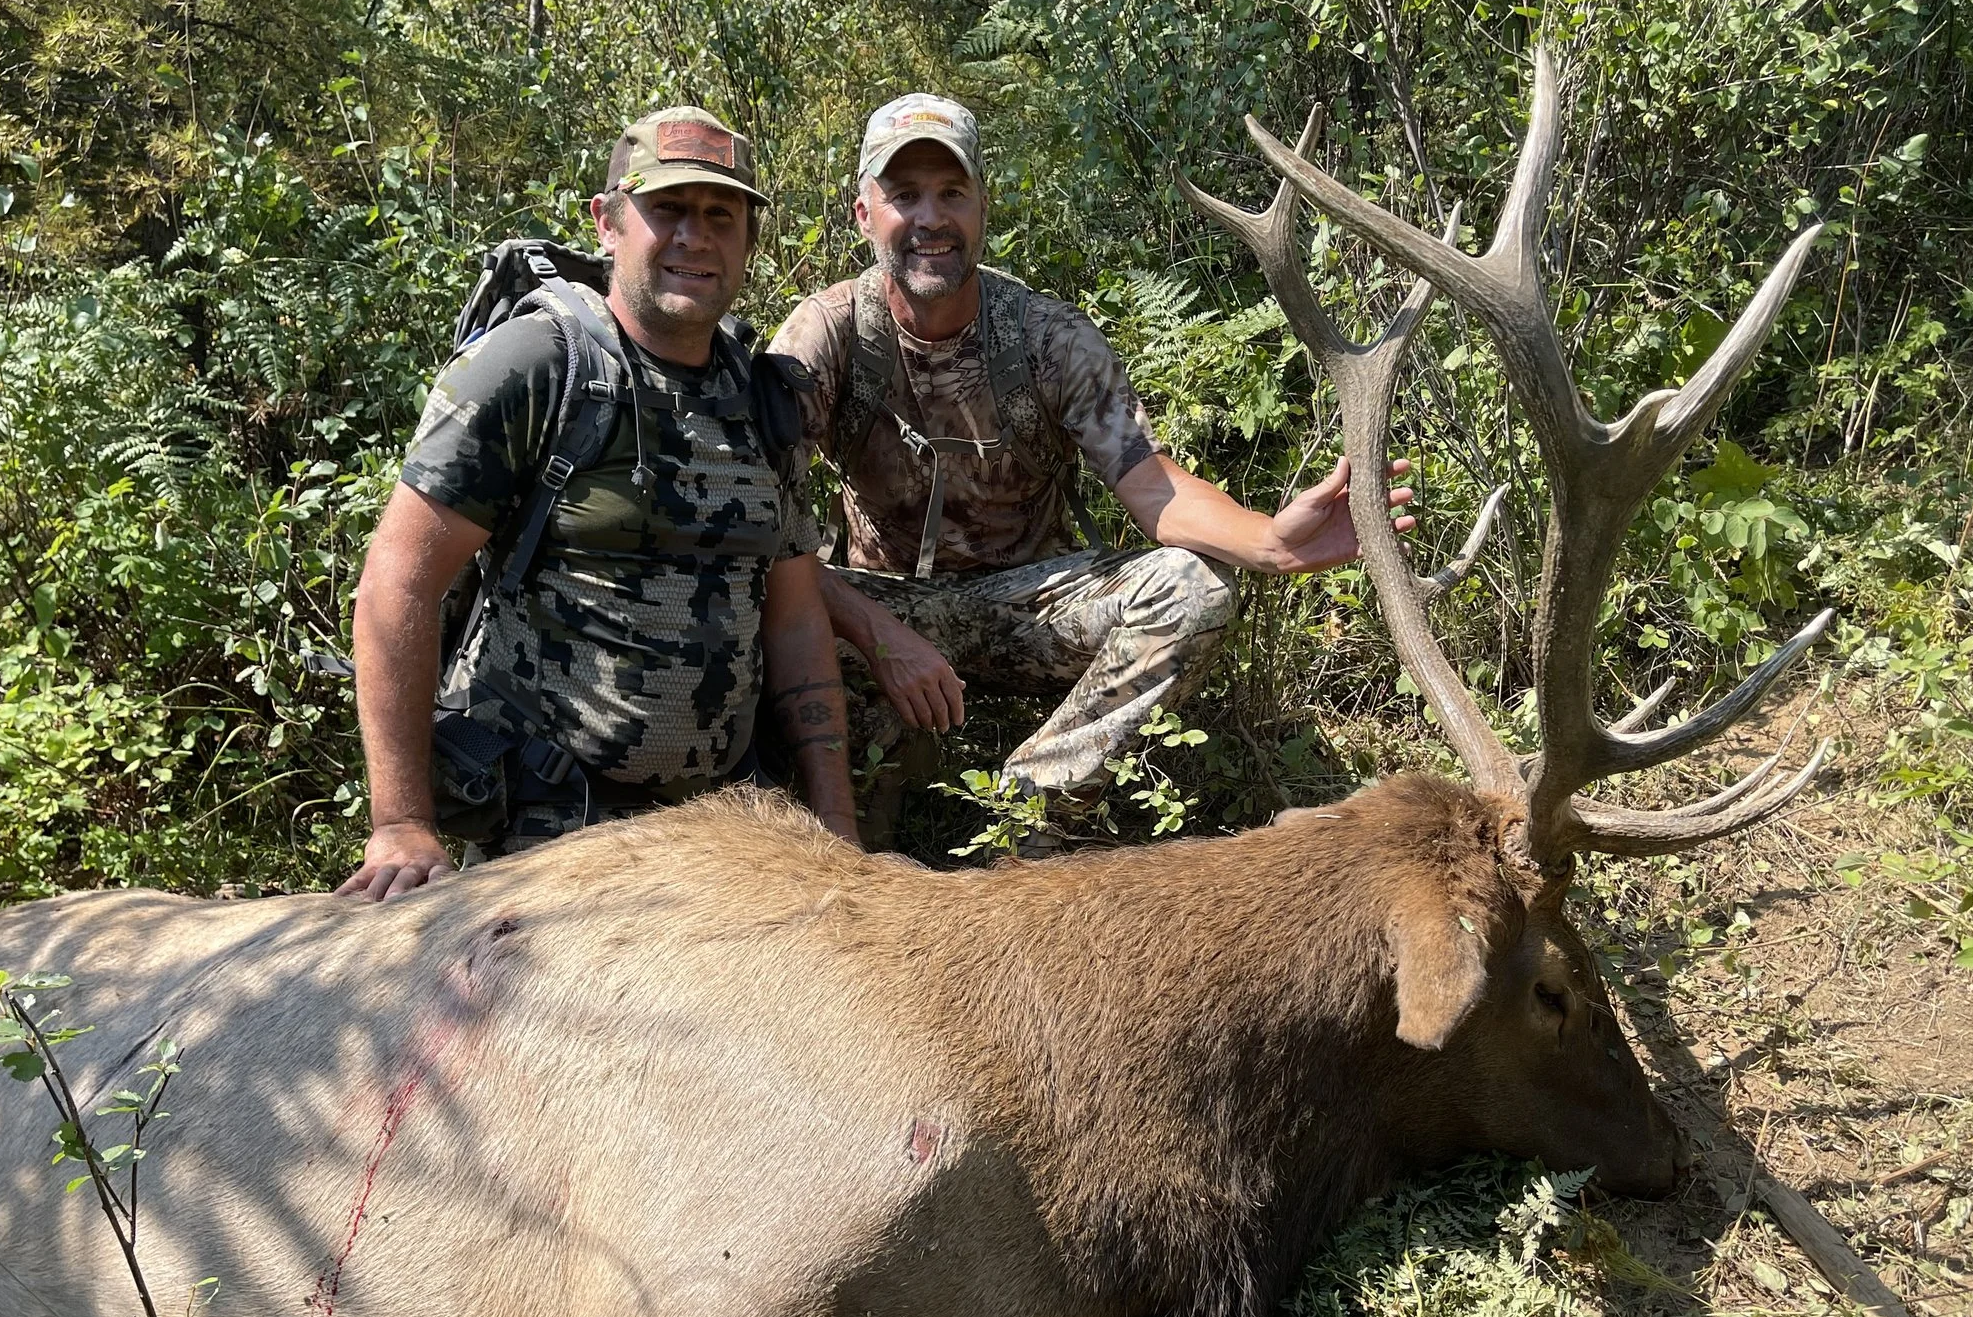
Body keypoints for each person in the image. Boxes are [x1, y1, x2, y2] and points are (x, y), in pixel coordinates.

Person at [769, 93, 1412, 845]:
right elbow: (764, 521)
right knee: (761, 603)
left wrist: (1272, 541)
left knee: (1194, 586)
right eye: (903, 195)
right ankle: (841, 830)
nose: (929, 220)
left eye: (952, 193)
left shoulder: (1047, 337)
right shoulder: (829, 332)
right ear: (863, 214)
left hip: (1030, 607)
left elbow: (1150, 483)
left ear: (983, 205)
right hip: (880, 611)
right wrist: (880, 632)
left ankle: (1028, 812)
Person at [337, 107, 857, 902]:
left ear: (749, 240)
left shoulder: (762, 397)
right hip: (547, 833)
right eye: (668, 210)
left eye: (722, 215)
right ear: (608, 223)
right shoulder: (536, 366)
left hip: (722, 839)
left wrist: (836, 831)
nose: (695, 236)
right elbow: (398, 581)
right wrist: (402, 821)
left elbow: (793, 618)